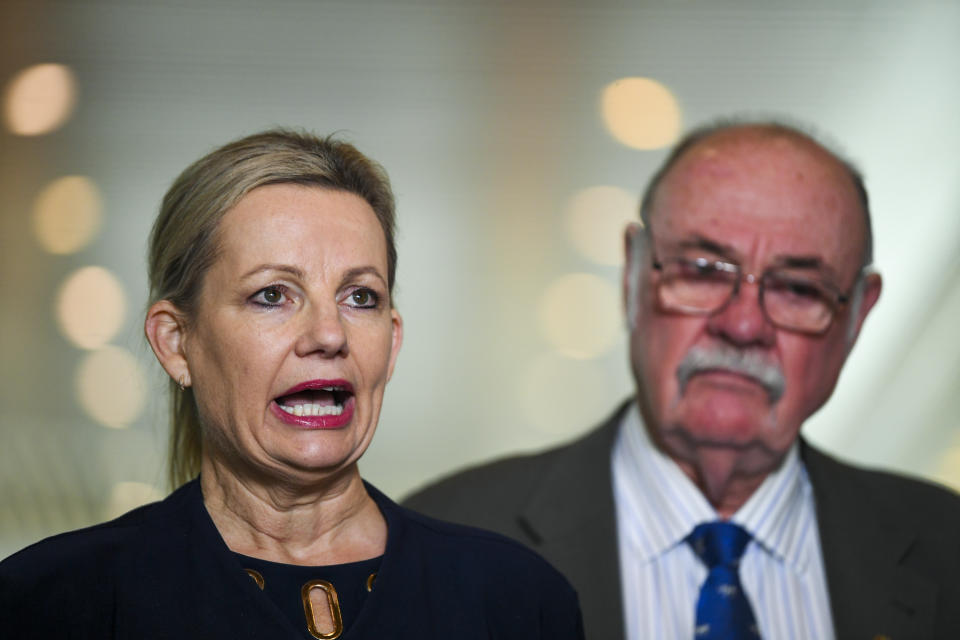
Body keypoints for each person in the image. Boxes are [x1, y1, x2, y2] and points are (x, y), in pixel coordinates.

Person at [0, 129, 584, 639]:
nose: (329, 334)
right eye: (272, 295)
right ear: (177, 343)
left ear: (393, 340)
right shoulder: (49, 601)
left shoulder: (517, 600)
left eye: (361, 297)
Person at [405, 120, 960, 639]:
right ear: (632, 276)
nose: (743, 325)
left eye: (798, 288)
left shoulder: (947, 546)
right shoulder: (431, 548)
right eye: (700, 270)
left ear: (858, 316)